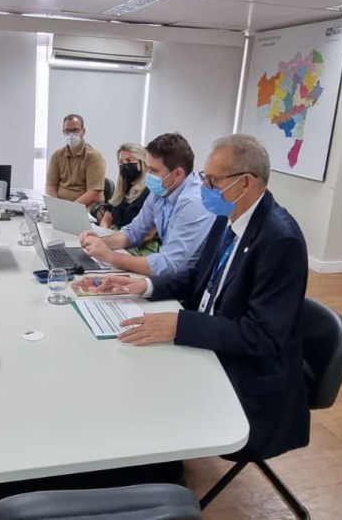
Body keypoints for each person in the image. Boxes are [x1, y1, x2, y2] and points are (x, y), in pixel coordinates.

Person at [83, 134, 310, 462]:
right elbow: (196, 278)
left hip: (249, 379)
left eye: (213, 180)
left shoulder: (280, 241)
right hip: (211, 340)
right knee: (124, 367)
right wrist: (142, 286)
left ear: (246, 182)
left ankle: (157, 470)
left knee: (139, 395)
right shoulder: (228, 216)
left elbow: (261, 336)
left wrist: (180, 325)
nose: (204, 187)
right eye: (205, 177)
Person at [80, 133, 213, 276]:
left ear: (178, 174)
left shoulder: (194, 202)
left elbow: (168, 265)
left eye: (154, 170)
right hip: (168, 272)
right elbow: (133, 232)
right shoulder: (163, 189)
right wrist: (100, 242)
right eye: (148, 168)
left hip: (188, 280)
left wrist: (110, 256)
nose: (148, 174)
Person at [45, 113, 106, 208]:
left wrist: (71, 209)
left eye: (75, 130)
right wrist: (56, 206)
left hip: (86, 206)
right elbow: (50, 186)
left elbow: (94, 193)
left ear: (83, 132)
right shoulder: (57, 156)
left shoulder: (93, 156)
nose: (71, 134)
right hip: (62, 204)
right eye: (67, 131)